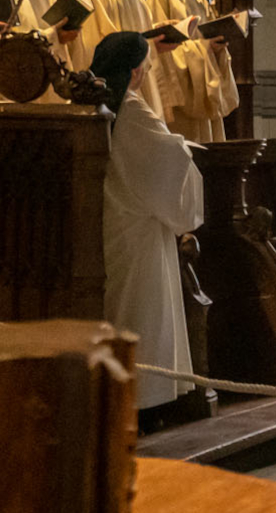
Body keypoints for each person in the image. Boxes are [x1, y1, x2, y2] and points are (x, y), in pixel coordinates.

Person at [86, 30, 202, 419]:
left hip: (111, 218)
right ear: (136, 72)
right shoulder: (131, 109)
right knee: (142, 310)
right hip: (138, 229)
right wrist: (184, 147)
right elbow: (167, 160)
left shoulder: (93, 104)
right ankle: (143, 400)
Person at [74, 0, 176, 119]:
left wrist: (158, 33)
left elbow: (139, 31)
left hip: (139, 74)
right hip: (119, 82)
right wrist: (148, 47)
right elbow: (106, 43)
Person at [148, 0, 239, 142]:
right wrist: (204, 48)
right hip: (184, 92)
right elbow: (162, 47)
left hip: (203, 88)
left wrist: (217, 45)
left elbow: (206, 30)